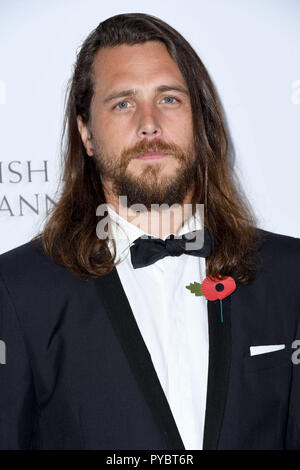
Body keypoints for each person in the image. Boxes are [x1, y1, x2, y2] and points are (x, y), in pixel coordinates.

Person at [0, 12, 299, 451]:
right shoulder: (17, 290)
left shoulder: (290, 276)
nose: (149, 123)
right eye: (123, 103)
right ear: (85, 132)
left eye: (170, 99)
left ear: (201, 119)